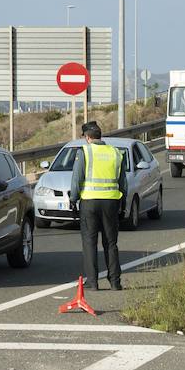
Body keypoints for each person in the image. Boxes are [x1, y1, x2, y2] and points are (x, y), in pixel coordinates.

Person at [68, 121, 128, 291]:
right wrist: (123, 203)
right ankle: (115, 282)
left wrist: (73, 199)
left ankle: (93, 282)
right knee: (111, 243)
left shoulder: (85, 152)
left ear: (88, 137)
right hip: (111, 202)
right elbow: (123, 182)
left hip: (90, 202)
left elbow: (77, 178)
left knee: (89, 242)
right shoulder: (115, 152)